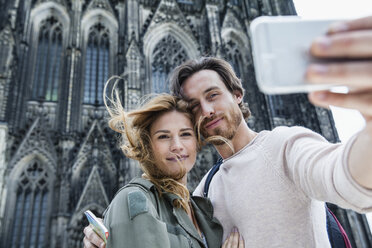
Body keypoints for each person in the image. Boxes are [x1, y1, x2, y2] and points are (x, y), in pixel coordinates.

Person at [84, 16, 372, 247]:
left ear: (237, 94)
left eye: (213, 95)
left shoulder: (284, 146)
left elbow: (344, 177)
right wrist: (108, 238)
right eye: (195, 105)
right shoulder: (201, 195)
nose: (207, 110)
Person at [85, 93, 244, 248]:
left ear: (197, 142)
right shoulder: (135, 200)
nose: (177, 145)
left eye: (185, 134)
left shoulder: (204, 211)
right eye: (163, 136)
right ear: (147, 146)